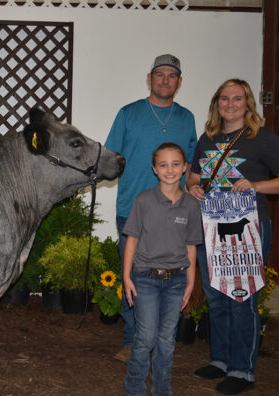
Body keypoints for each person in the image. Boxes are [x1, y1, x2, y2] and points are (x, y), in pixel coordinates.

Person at [187, 78, 279, 395]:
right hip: (211, 227)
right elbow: (194, 177)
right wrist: (193, 187)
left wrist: (256, 186)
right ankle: (220, 360)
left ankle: (242, 370)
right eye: (224, 98)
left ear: (248, 103)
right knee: (216, 297)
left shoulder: (262, 138)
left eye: (237, 98)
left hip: (248, 229)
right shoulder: (207, 139)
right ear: (216, 103)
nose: (230, 104)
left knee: (242, 299)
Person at [105, 54, 197, 362]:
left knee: (171, 276)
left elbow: (192, 166)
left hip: (174, 213)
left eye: (172, 75)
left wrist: (195, 188)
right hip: (133, 209)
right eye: (160, 74)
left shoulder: (186, 118)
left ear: (179, 82)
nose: (165, 80)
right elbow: (111, 159)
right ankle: (132, 340)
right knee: (132, 273)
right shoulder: (128, 114)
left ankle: (162, 340)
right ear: (149, 78)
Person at [123, 142, 202, 396]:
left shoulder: (191, 205)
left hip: (176, 281)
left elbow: (191, 246)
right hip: (145, 278)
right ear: (155, 169)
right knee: (145, 337)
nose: (170, 170)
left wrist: (190, 281)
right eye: (163, 165)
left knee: (167, 339)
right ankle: (135, 390)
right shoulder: (144, 201)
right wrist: (126, 277)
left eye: (176, 164)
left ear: (185, 168)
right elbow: (132, 241)